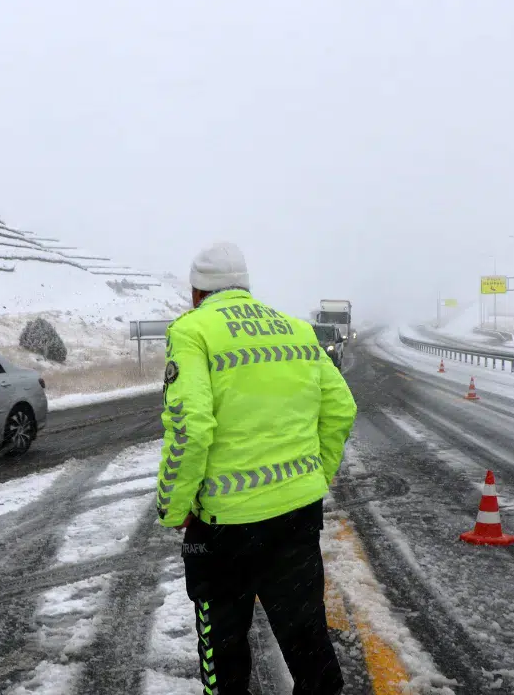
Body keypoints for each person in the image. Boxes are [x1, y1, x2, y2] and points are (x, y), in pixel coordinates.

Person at [155, 241, 358, 694]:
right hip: (297, 517)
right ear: (245, 285)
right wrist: (316, 477)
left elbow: (190, 427)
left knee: (223, 657)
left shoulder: (192, 331)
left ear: (196, 292)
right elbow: (342, 408)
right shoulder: (297, 330)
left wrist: (173, 507)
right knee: (308, 644)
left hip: (223, 528)